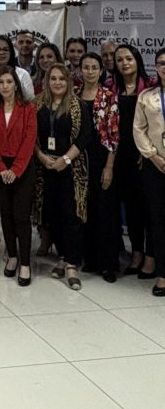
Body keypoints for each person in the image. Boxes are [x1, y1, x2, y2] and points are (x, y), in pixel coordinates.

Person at [34, 64, 92, 290]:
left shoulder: (77, 105)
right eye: (53, 78)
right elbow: (31, 136)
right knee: (52, 215)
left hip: (71, 169)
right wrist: (41, 157)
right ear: (47, 81)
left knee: (71, 216)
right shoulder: (38, 104)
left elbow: (84, 137)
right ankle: (61, 256)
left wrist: (65, 160)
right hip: (45, 169)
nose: (57, 83)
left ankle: (71, 264)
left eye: (61, 79)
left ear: (68, 81)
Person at [0, 66, 37, 285]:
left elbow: (29, 140)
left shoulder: (28, 108)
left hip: (22, 167)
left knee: (21, 216)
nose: (5, 86)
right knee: (5, 214)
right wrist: (1, 169)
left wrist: (15, 170)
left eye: (8, 82)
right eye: (0, 82)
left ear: (16, 84)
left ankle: (25, 263)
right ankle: (12, 256)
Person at [111, 43, 155, 277]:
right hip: (119, 155)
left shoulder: (150, 87)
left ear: (137, 59)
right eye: (119, 60)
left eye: (128, 58)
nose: (124, 63)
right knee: (131, 206)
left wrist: (145, 151)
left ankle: (151, 254)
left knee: (148, 207)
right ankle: (136, 252)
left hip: (144, 155)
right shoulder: (111, 87)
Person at [76, 52, 120, 282]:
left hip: (102, 157)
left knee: (105, 212)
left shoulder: (109, 96)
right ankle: (90, 259)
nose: (90, 71)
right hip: (80, 160)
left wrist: (109, 166)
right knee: (86, 209)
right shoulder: (74, 94)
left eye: (94, 67)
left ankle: (108, 264)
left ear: (101, 70)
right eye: (86, 67)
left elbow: (114, 135)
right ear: (80, 70)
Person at [133, 48, 165, 296]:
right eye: (161, 63)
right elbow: (139, 130)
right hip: (155, 165)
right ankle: (162, 274)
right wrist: (154, 157)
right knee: (158, 220)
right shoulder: (147, 96)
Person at [0, 35, 35, 101]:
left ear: (11, 52)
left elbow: (30, 99)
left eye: (5, 50)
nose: (1, 52)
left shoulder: (23, 74)